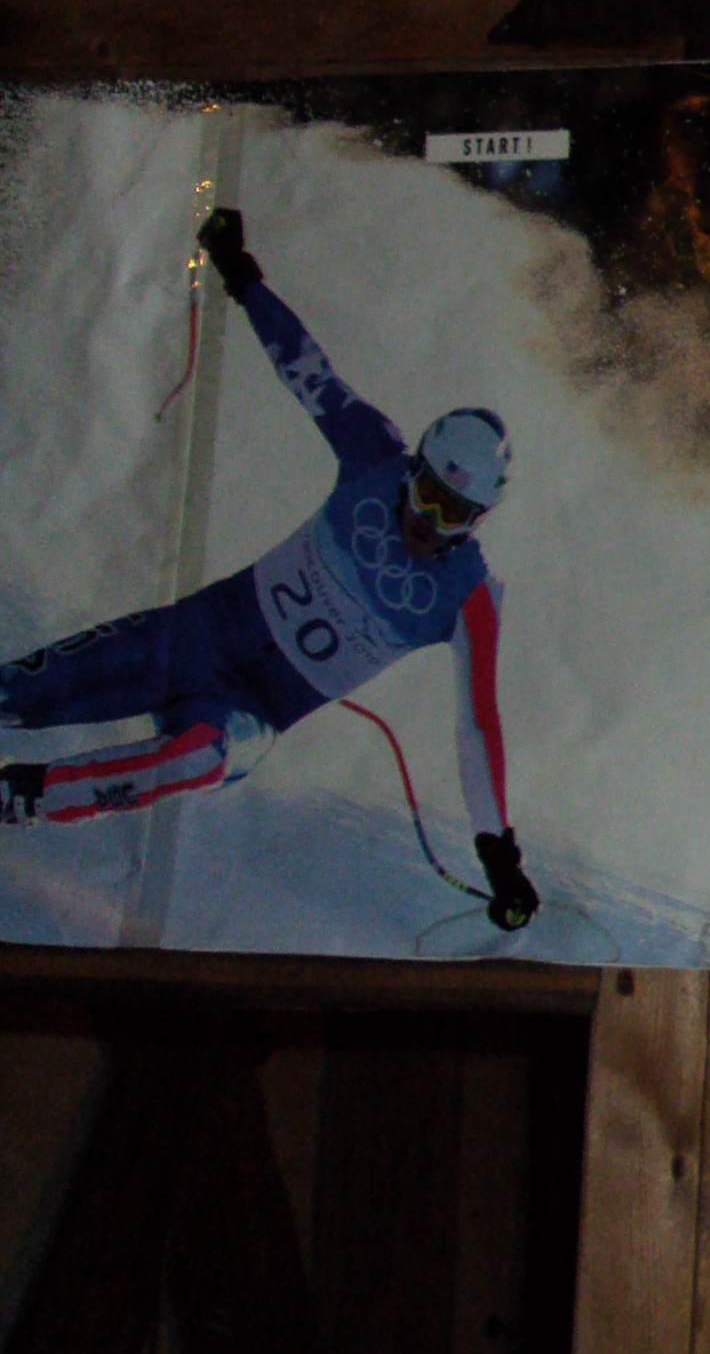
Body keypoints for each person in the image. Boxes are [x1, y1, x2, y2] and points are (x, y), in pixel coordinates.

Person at [0, 207, 535, 929]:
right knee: (23, 691)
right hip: (191, 639)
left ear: (479, 521)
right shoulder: (373, 457)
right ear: (414, 468)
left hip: (246, 713)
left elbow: (478, 724)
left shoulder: (470, 595)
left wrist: (499, 853)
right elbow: (305, 368)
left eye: (453, 514)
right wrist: (241, 274)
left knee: (199, 757)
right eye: (427, 495)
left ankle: (26, 797)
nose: (427, 521)